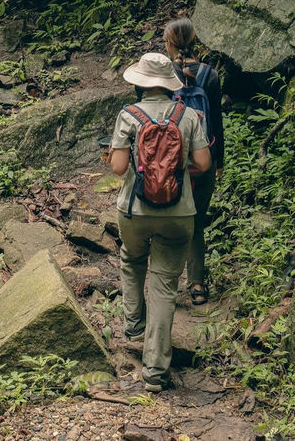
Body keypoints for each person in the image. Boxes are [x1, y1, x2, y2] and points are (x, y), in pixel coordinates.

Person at [108, 52, 211, 392]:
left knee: (132, 259)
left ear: (139, 83)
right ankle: (155, 371)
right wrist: (175, 171)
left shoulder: (129, 115)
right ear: (169, 85)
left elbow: (119, 169)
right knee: (166, 286)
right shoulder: (190, 115)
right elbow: (204, 163)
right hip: (179, 213)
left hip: (134, 212)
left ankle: (134, 325)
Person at [163, 16, 224, 306]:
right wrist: (218, 161)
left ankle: (167, 284)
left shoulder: (161, 76)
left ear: (169, 44)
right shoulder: (210, 76)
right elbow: (217, 122)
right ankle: (197, 284)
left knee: (171, 221)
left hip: (170, 163)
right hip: (203, 161)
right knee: (197, 222)